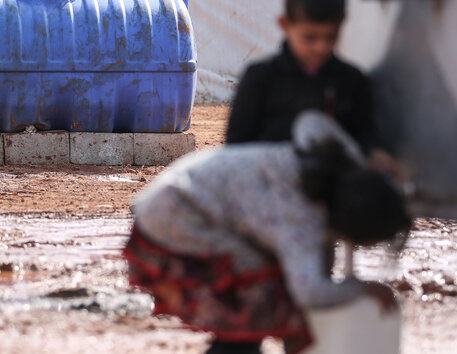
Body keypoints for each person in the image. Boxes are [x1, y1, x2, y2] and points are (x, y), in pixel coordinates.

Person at [123, 111, 412, 354]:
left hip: (176, 193)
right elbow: (310, 291)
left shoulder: (326, 163)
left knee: (262, 296)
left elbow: (311, 121)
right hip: (178, 217)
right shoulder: (299, 220)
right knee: (260, 294)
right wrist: (362, 288)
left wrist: (363, 161)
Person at [225, 0, 397, 175]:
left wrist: (375, 153)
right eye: (310, 37)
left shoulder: (350, 80)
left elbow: (362, 134)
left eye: (330, 37)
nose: (321, 47)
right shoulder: (261, 78)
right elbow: (236, 146)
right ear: (285, 24)